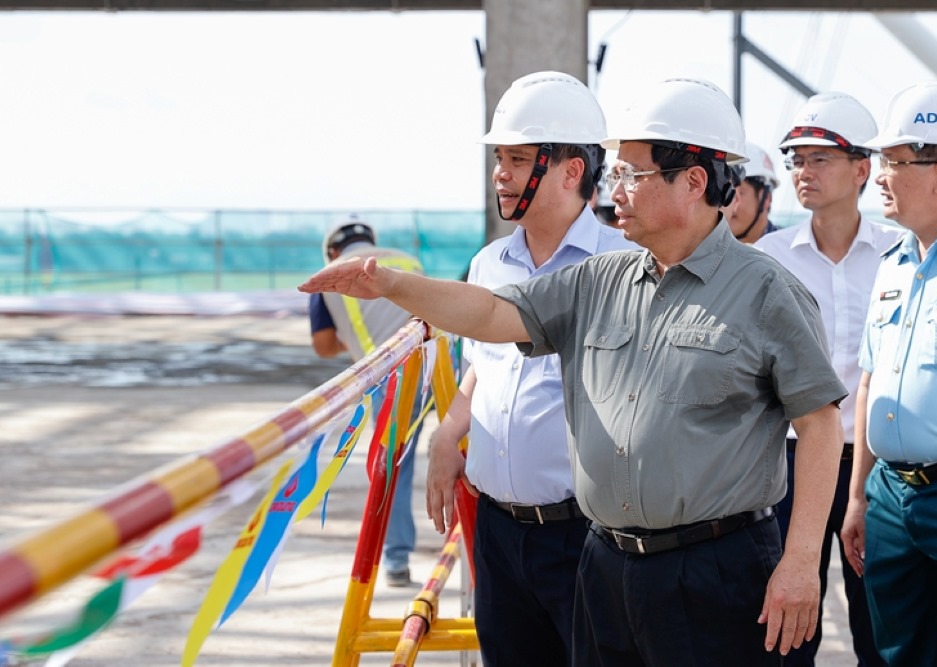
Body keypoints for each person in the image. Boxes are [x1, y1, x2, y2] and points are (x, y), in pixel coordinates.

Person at [300, 77, 848, 666]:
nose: (617, 189)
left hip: (715, 570)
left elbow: (820, 426)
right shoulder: (601, 280)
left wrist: (800, 563)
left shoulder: (767, 292)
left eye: (633, 174)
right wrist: (391, 285)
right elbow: (489, 312)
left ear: (692, 182)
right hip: (607, 568)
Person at [424, 71, 635, 667]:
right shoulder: (489, 263)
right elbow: (479, 371)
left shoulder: (624, 267)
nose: (501, 172)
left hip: (585, 537)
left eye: (518, 159)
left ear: (572, 171)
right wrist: (447, 433)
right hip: (497, 536)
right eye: (500, 158)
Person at [841, 80, 937, 666]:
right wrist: (858, 496)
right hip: (890, 497)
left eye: (892, 161)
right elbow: (868, 381)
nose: (879, 175)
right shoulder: (894, 264)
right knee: (895, 654)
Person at [754, 91, 898, 667]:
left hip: (879, 467)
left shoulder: (901, 252)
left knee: (883, 631)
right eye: (796, 159)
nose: (802, 172)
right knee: (788, 631)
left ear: (863, 168)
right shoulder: (768, 257)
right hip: (788, 465)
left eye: (819, 159)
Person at [307, 218, 425, 587]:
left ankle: (396, 558)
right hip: (441, 365)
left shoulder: (327, 276)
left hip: (392, 378)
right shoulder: (407, 261)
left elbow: (324, 347)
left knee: (393, 465)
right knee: (466, 451)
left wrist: (352, 342)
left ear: (332, 252)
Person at [723, 141, 780, 243]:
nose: (725, 202)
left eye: (737, 192)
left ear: (766, 198)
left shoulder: (787, 255)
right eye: (722, 191)